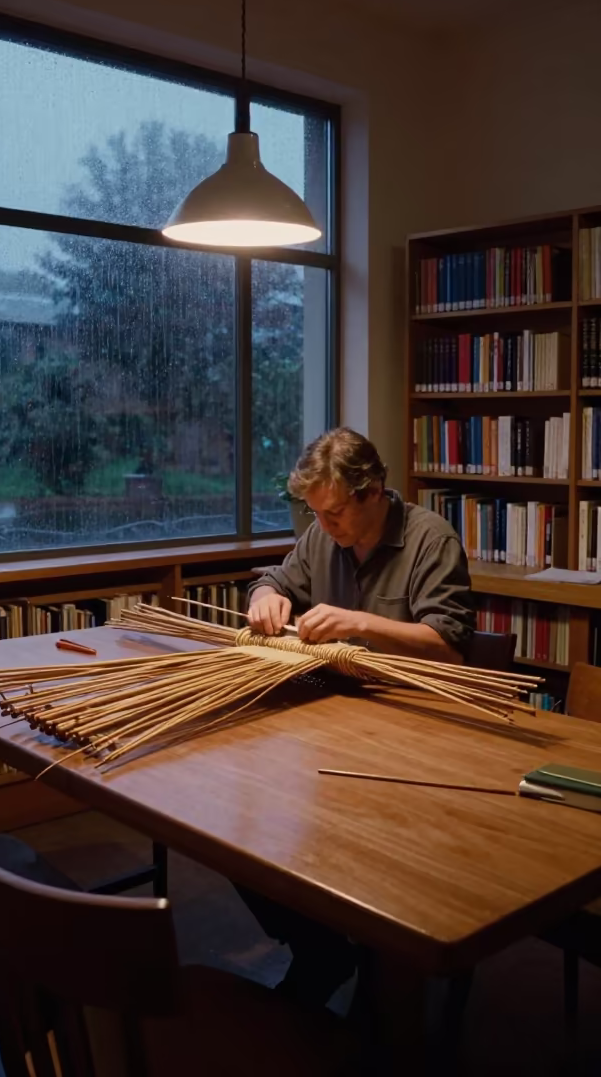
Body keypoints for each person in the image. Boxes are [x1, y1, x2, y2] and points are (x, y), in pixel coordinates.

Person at [239, 427, 475, 1009]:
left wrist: (360, 624)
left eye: (336, 511)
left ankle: (383, 992)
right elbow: (274, 578)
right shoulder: (323, 537)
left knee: (376, 858)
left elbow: (449, 647)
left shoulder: (429, 539)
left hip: (418, 736)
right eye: (315, 512)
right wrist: (263, 598)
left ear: (375, 492)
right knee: (243, 835)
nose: (325, 525)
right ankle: (320, 949)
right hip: (335, 725)